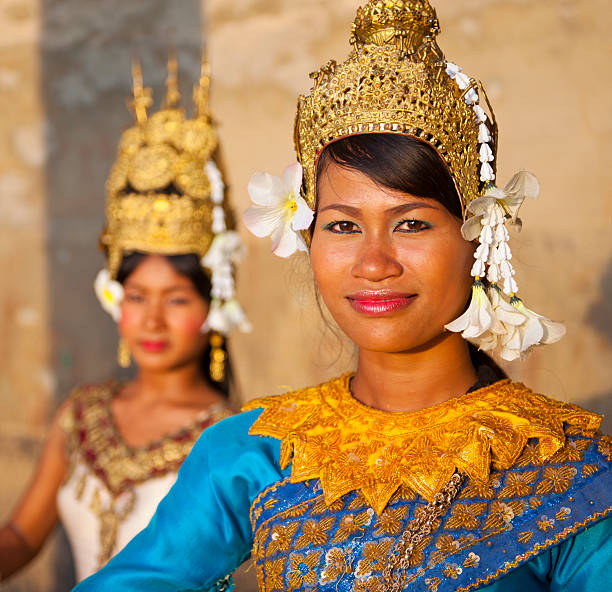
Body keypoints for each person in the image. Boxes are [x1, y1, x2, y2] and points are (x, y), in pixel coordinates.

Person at [71, 2, 612, 591]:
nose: (374, 263)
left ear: (478, 234)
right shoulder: (253, 458)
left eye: (411, 224)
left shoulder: (572, 475)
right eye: (343, 225)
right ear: (307, 239)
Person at [0, 55, 251, 583]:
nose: (152, 321)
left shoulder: (233, 438)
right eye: (137, 297)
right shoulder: (80, 416)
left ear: (214, 306)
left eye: (177, 300)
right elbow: (21, 537)